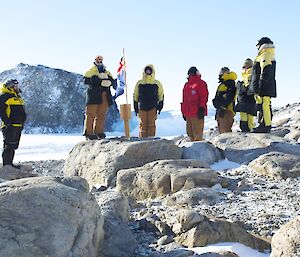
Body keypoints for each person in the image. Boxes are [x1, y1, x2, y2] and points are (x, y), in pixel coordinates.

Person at [83, 55, 116, 140]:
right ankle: (89, 133)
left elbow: (113, 82)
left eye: (101, 59)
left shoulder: (107, 72)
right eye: (98, 59)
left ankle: (99, 132)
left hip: (105, 95)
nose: (99, 61)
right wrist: (99, 81)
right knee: (91, 114)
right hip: (94, 95)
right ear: (95, 61)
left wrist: (109, 82)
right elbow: (86, 81)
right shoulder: (91, 71)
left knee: (101, 115)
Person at [249, 37, 276, 133]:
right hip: (261, 87)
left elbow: (265, 71)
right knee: (261, 106)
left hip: (264, 87)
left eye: (258, 45)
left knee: (265, 105)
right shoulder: (263, 55)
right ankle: (262, 123)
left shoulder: (265, 55)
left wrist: (261, 85)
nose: (257, 47)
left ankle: (266, 125)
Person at [0, 79, 26, 168]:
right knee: (8, 146)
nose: (17, 87)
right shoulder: (4, 97)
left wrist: (22, 123)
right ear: (10, 87)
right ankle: (6, 166)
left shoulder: (17, 97)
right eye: (15, 86)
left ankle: (10, 164)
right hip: (9, 126)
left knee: (14, 145)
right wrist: (7, 123)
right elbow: (2, 112)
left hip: (17, 125)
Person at [133, 64, 164, 138]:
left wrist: (160, 105)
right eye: (146, 70)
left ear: (152, 71)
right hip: (142, 106)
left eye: (149, 70)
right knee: (143, 124)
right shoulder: (139, 83)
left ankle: (151, 139)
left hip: (153, 106)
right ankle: (142, 139)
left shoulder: (157, 83)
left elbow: (161, 94)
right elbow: (135, 95)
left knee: (151, 124)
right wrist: (135, 106)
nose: (148, 72)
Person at [181, 67, 209, 141]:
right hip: (188, 113)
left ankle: (198, 150)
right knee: (189, 133)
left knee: (197, 133)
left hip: (197, 112)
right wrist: (183, 112)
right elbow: (184, 99)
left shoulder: (201, 83)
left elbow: (204, 97)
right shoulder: (186, 85)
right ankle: (193, 150)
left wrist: (202, 108)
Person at [212, 67, 237, 133]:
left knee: (225, 131)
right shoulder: (224, 83)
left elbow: (229, 97)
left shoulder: (229, 83)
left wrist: (223, 107)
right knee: (223, 131)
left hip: (227, 111)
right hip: (222, 110)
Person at [235, 58, 256, 132]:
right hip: (246, 100)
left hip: (247, 99)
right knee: (247, 115)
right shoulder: (246, 75)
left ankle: (248, 129)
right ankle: (248, 129)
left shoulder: (249, 75)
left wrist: (241, 86)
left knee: (247, 116)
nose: (244, 68)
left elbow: (248, 87)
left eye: (245, 67)